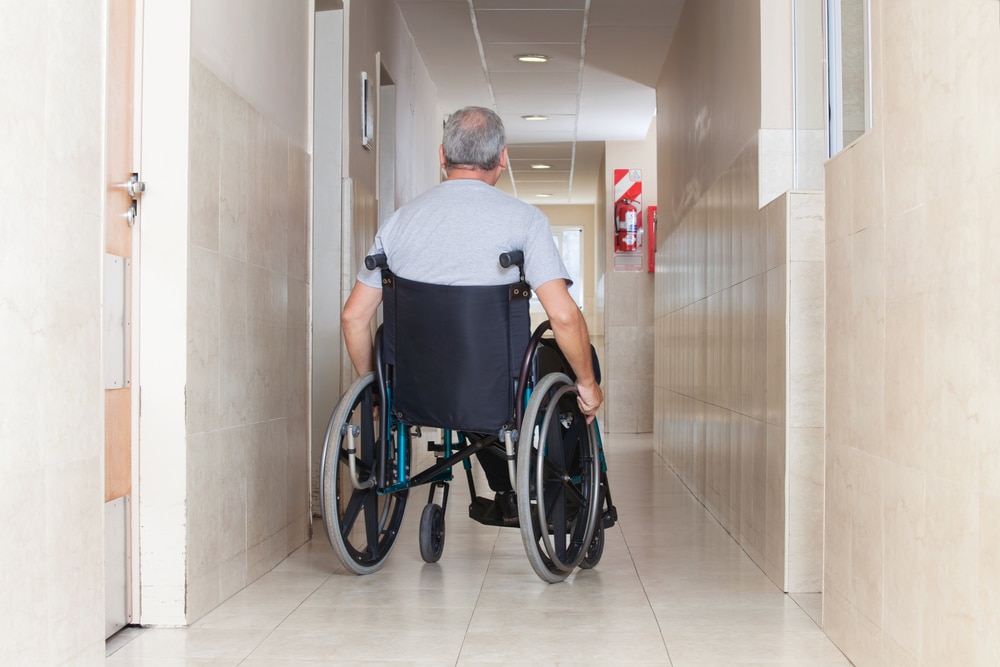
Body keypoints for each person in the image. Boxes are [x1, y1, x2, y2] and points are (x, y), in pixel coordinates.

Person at [341, 106, 602, 518]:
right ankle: (555, 495)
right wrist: (587, 384)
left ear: (442, 156)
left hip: (415, 389)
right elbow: (564, 318)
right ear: (503, 159)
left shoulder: (398, 224)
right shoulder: (525, 221)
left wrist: (377, 394)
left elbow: (354, 317)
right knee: (573, 362)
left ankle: (502, 485)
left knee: (464, 374)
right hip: (494, 389)